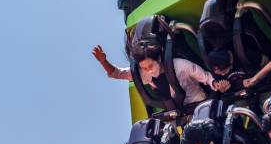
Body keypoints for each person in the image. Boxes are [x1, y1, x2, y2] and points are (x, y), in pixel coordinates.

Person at [92, 44, 230, 104]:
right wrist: (104, 61)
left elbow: (206, 77)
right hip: (178, 112)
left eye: (150, 66)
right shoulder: (143, 74)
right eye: (144, 68)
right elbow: (116, 73)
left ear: (158, 59)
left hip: (198, 102)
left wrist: (216, 84)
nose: (148, 70)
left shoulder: (180, 65)